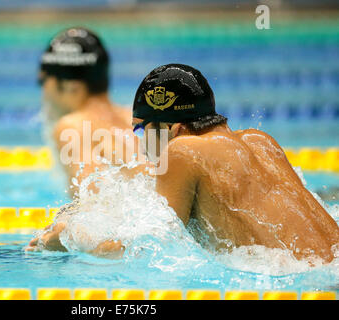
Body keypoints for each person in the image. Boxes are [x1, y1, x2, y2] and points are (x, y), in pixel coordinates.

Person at [131, 63, 339, 263]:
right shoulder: (259, 141)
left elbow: (156, 244)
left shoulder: (182, 151)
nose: (142, 146)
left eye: (141, 129)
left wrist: (101, 244)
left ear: (171, 129)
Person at [38, 27, 146, 192]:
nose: (44, 92)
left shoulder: (73, 126)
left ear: (69, 84)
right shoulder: (136, 117)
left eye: (43, 81)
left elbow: (91, 201)